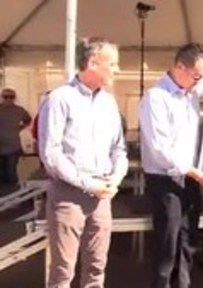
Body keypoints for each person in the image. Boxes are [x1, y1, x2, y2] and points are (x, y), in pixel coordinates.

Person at [38, 37, 128, 288]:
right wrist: (88, 184)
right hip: (69, 195)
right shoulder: (59, 99)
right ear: (92, 63)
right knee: (62, 270)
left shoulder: (109, 102)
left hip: (102, 195)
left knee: (97, 268)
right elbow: (51, 154)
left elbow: (119, 148)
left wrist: (115, 178)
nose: (117, 70)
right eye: (113, 64)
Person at [139, 43, 203, 288]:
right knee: (167, 248)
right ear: (179, 67)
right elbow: (160, 148)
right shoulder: (156, 98)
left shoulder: (192, 97)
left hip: (190, 180)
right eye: (197, 76)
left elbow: (196, 135)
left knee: (188, 244)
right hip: (165, 180)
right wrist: (195, 172)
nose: (199, 82)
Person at [0, 88, 32, 187]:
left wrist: (19, 128)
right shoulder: (19, 110)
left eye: (11, 97)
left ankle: (10, 197)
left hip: (11, 146)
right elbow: (28, 120)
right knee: (8, 173)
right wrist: (19, 128)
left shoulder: (19, 110)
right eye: (6, 97)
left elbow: (28, 120)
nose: (8, 99)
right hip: (9, 146)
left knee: (10, 174)